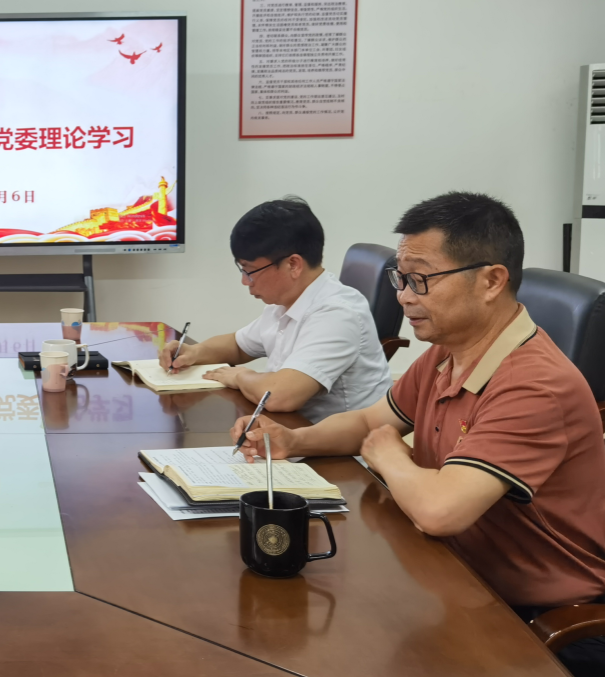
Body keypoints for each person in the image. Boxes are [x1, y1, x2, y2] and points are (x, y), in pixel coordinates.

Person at [231, 192, 605, 676]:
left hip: (539, 621)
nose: (404, 296)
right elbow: (369, 421)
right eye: (401, 279)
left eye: (421, 280)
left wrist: (389, 454)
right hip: (455, 575)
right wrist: (293, 440)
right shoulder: (449, 352)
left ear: (492, 281)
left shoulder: (535, 385)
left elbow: (439, 509)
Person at [160, 197, 391, 422]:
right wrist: (195, 352)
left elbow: (280, 396)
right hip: (292, 430)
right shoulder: (284, 302)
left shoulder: (337, 313)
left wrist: (240, 376)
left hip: (340, 444)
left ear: (293, 264)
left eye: (249, 270)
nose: (244, 281)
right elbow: (238, 345)